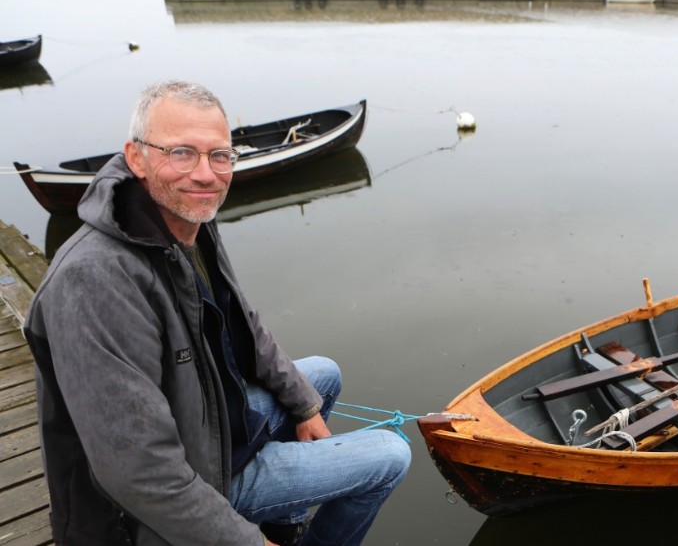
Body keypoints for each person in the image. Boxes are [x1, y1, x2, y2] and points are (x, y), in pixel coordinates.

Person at [24, 80, 411, 546]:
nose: (206, 175)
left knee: (321, 377)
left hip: (208, 432)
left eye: (220, 155)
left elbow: (246, 326)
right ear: (136, 156)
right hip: (160, 501)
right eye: (182, 153)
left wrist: (305, 407)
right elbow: (141, 475)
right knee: (390, 455)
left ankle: (282, 524)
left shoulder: (187, 223)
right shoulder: (94, 282)